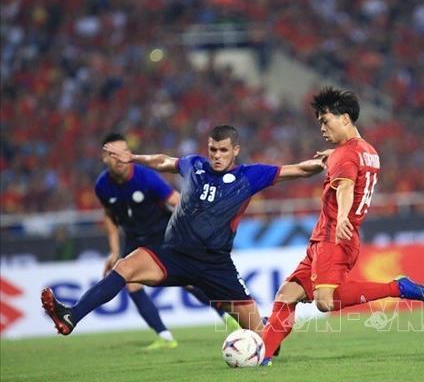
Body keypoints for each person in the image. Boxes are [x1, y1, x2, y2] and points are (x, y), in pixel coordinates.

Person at [41, 125, 327, 336]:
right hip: (173, 254)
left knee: (266, 338)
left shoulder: (250, 175)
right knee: (125, 267)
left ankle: (268, 337)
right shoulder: (195, 166)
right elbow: (165, 161)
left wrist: (328, 162)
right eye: (213, 149)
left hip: (215, 264)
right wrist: (135, 158)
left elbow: (299, 170)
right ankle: (71, 315)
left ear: (235, 151)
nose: (217, 156)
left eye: (223, 150)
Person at [260, 87, 424, 366]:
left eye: (325, 121)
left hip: (335, 237)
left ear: (345, 118)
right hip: (325, 239)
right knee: (287, 294)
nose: (322, 128)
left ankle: (397, 287)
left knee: (324, 302)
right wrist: (334, 156)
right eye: (319, 123)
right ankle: (263, 355)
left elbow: (346, 187)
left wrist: (342, 217)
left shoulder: (344, 155)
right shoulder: (368, 151)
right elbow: (352, 166)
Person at [94, 133, 238, 350]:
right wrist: (114, 251)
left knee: (190, 281)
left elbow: (176, 200)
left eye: (124, 153)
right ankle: (165, 337)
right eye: (114, 155)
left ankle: (230, 319)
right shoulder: (102, 186)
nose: (120, 159)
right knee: (131, 285)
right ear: (105, 158)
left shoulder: (145, 177)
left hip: (163, 235)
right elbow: (109, 217)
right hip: (134, 239)